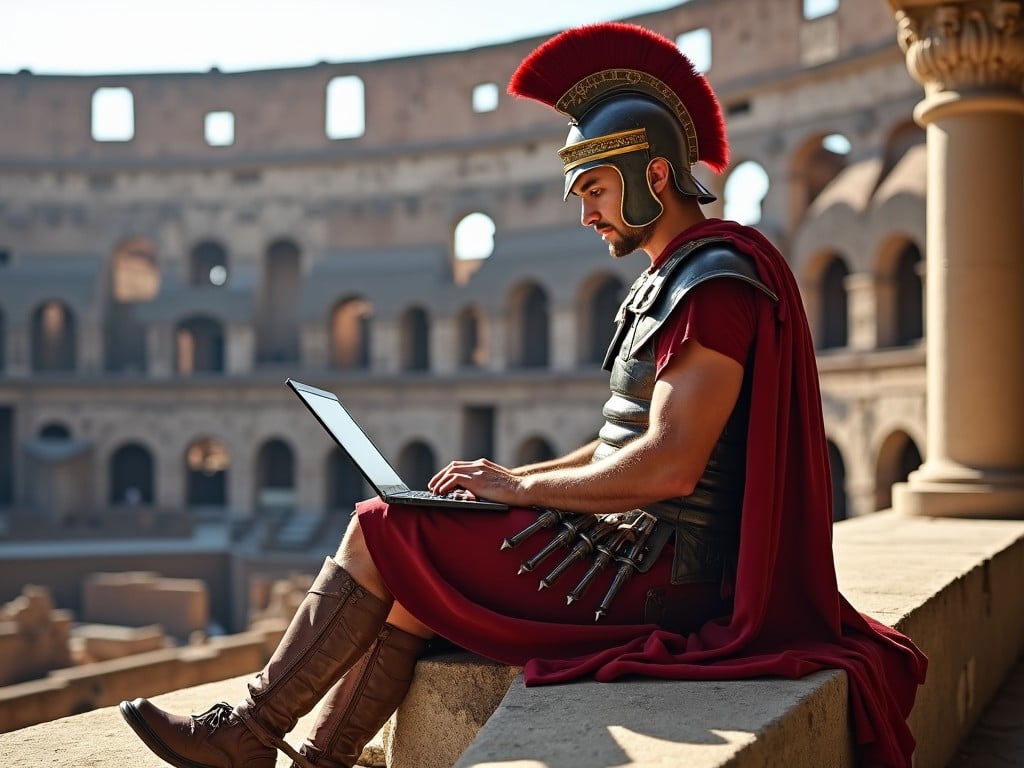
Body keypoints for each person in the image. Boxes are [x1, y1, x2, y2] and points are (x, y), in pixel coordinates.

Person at [119, 22, 927, 768]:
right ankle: (321, 761)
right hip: (630, 553)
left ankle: (252, 732)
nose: (584, 214)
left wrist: (522, 488)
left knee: (381, 530)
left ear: (654, 175)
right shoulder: (670, 281)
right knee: (410, 574)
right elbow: (622, 446)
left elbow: (671, 466)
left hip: (659, 577)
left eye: (596, 191)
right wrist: (503, 479)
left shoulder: (712, 286)